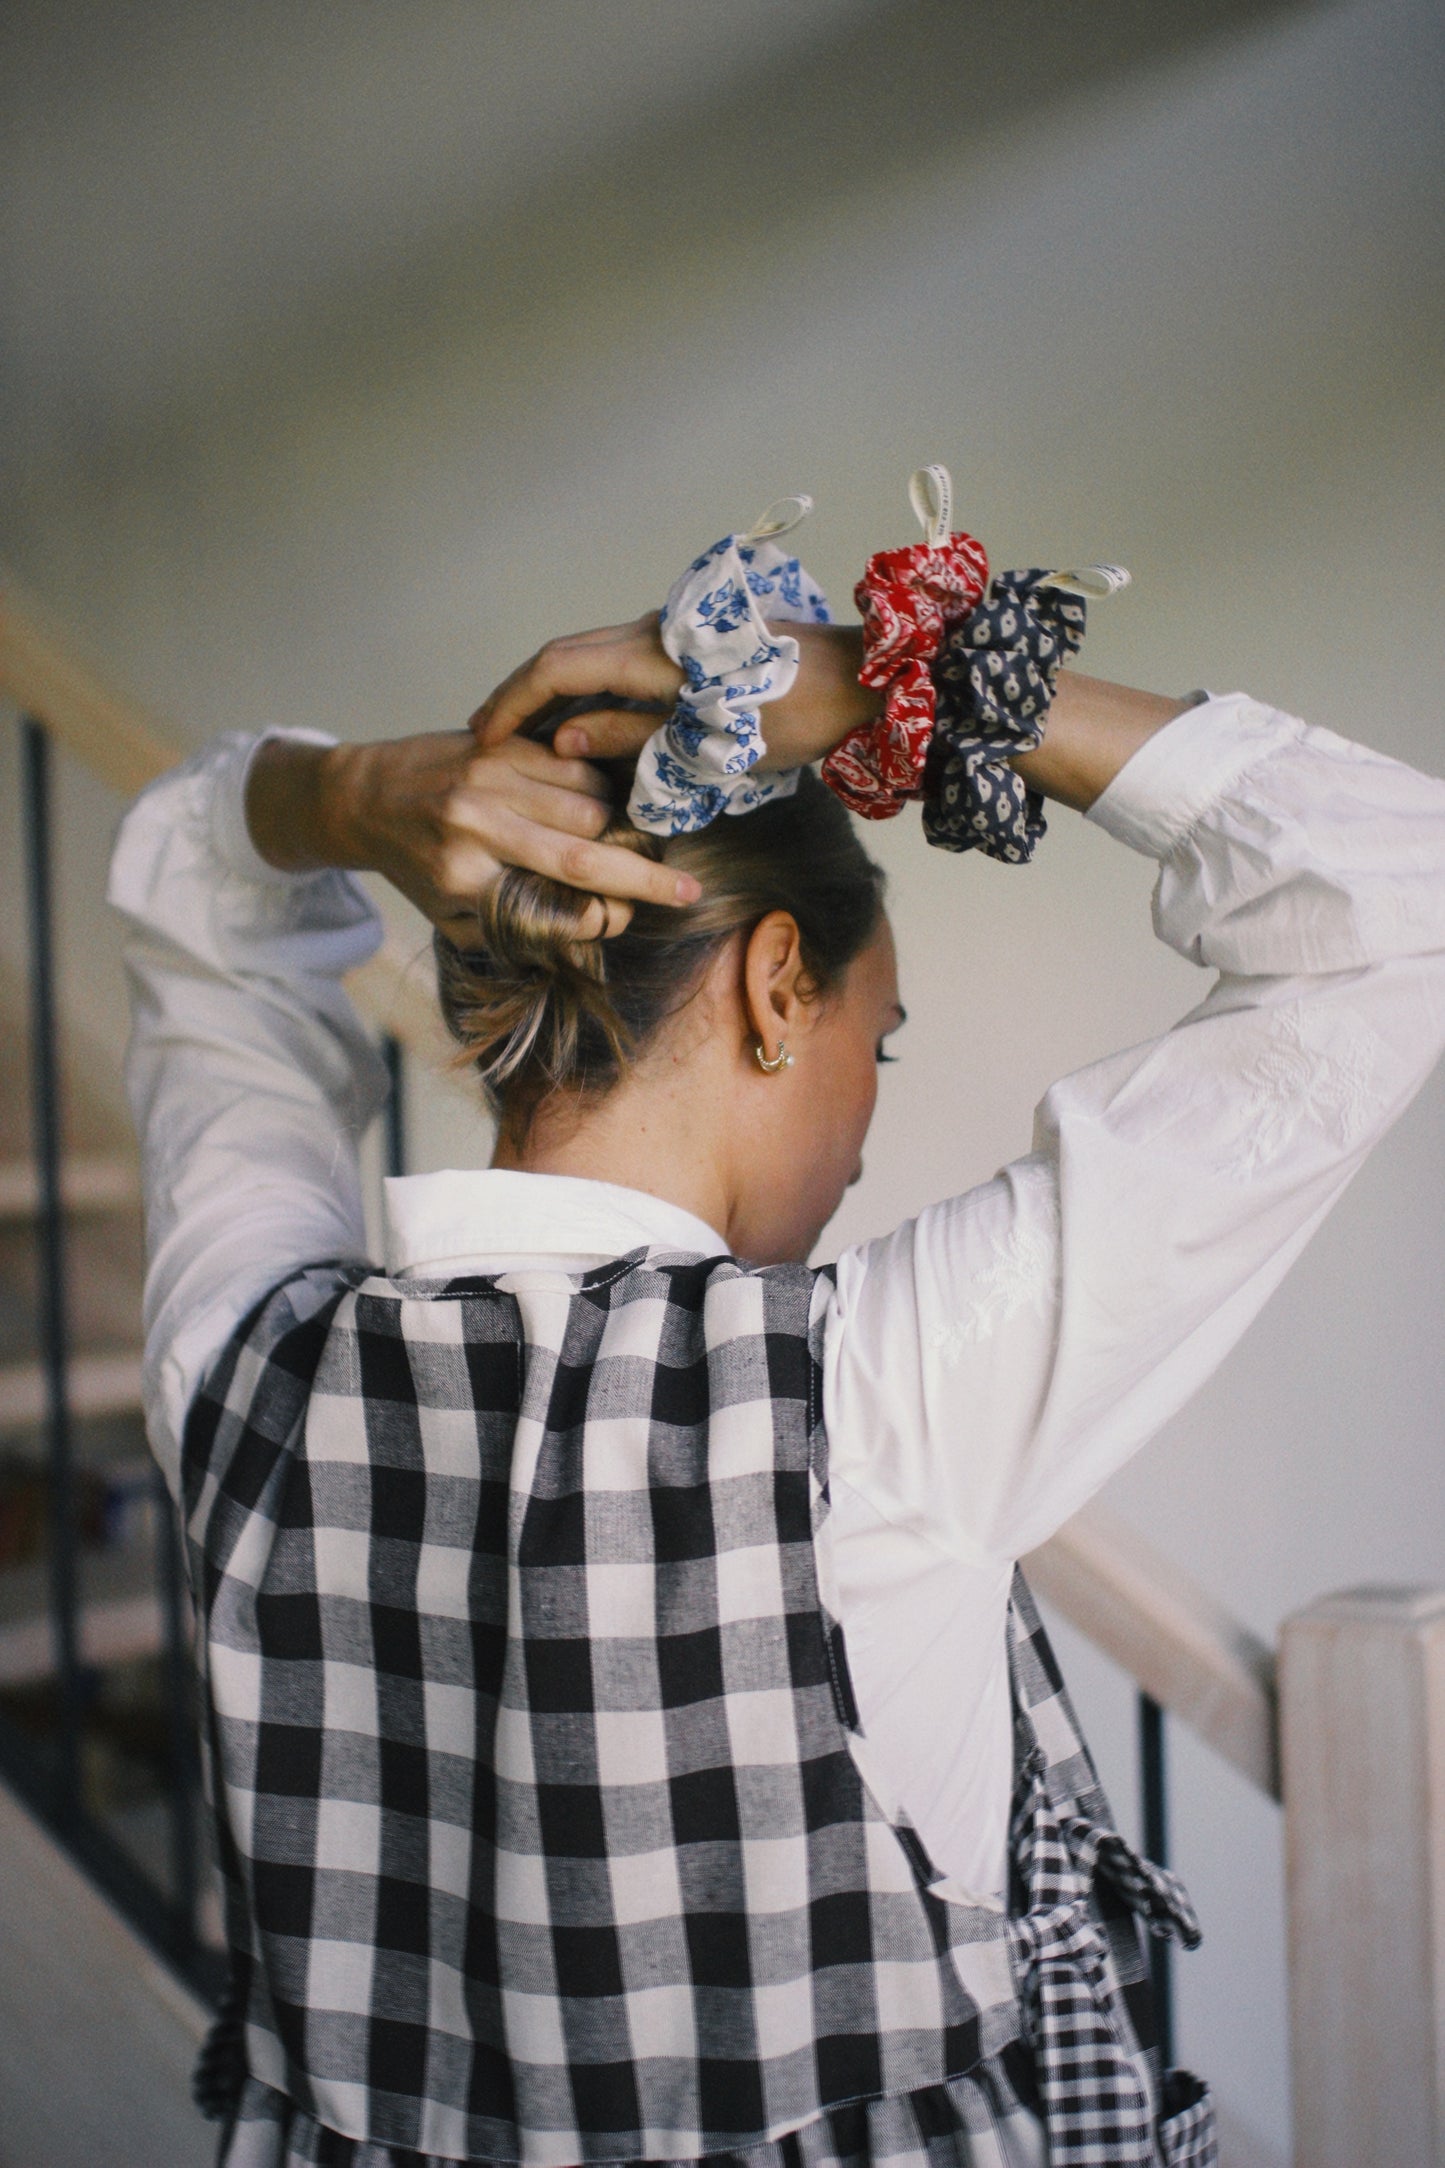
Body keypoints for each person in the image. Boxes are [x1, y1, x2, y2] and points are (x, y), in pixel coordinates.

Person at [110, 599, 1445, 2168]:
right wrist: (918, 683)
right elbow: (1396, 898)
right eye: (873, 1046)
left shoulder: (239, 1359)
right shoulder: (866, 1402)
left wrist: (344, 803)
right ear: (772, 986)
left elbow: (192, 895)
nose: (864, 1123)